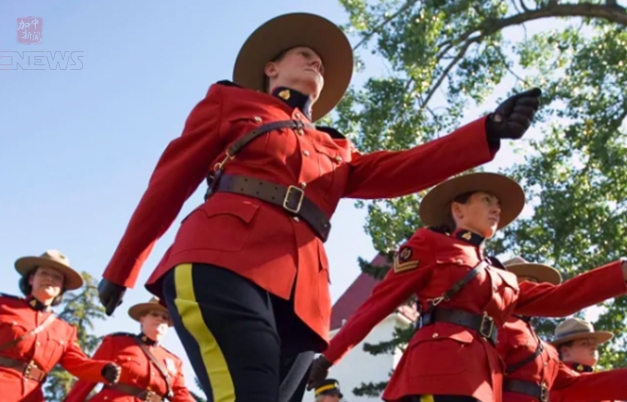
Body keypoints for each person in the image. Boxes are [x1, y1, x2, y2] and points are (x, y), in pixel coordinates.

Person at [96, 11, 543, 402]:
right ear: (271, 69)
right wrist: (122, 269)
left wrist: (487, 131)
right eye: (304, 54)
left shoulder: (335, 147)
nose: (316, 62)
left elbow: (402, 168)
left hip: (302, 296)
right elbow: (169, 182)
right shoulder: (230, 103)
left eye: (320, 63)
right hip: (221, 260)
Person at [306, 172, 627, 402]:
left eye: (498, 204)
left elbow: (561, 299)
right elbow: (379, 303)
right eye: (487, 200)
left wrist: (621, 273)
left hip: (480, 383)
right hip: (435, 370)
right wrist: (328, 357)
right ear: (457, 210)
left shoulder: (504, 279)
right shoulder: (430, 244)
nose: (496, 209)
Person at [0, 249, 121, 402]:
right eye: (44, 273)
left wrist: (103, 369)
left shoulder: (65, 330)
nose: (50, 279)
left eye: (57, 277)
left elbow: (78, 363)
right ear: (31, 279)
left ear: (62, 288)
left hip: (30, 396)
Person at [499, 257, 627, 402]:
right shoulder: (487, 328)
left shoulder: (546, 352)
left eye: (535, 281)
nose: (534, 286)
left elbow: (576, 385)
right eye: (525, 280)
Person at [64, 296, 194, 402]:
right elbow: (88, 378)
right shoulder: (117, 342)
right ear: (142, 319)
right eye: (155, 314)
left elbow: (181, 395)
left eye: (165, 317)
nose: (160, 319)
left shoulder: (174, 361)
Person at [549, 317, 625, 402]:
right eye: (584, 343)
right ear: (565, 351)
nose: (593, 347)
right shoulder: (559, 378)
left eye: (594, 343)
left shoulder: (594, 378)